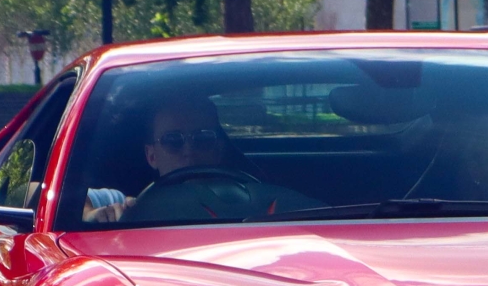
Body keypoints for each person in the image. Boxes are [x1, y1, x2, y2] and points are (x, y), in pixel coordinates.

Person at [83, 95, 318, 224]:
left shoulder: (263, 206)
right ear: (151, 155)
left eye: (202, 139)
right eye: (173, 140)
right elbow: (73, 201)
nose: (188, 150)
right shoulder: (127, 204)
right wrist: (93, 217)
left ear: (217, 149)